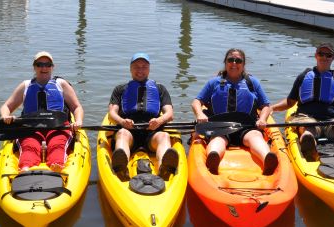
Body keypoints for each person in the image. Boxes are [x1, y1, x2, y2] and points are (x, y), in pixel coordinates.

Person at [271, 42, 334, 161]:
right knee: (306, 131)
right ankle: (310, 151)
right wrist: (272, 108)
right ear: (316, 55)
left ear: (333, 58)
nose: (324, 57)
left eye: (328, 55)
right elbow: (290, 102)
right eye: (321, 54)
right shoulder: (303, 76)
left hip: (332, 120)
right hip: (307, 118)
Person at [191, 48, 278, 175]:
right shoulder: (214, 82)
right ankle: (213, 159)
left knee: (255, 137)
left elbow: (266, 106)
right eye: (230, 60)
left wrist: (262, 119)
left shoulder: (252, 83)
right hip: (220, 126)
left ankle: (267, 159)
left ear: (243, 65)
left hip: (246, 126)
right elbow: (196, 102)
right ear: (225, 62)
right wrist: (200, 114)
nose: (234, 63)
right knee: (217, 140)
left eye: (238, 61)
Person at [0, 51, 84, 172]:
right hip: (31, 127)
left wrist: (78, 120)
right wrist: (5, 116)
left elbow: (77, 107)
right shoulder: (26, 85)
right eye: (39, 64)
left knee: (57, 145)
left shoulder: (61, 84)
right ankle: (26, 168)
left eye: (47, 64)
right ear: (34, 67)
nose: (44, 68)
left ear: (52, 67)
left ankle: (56, 166)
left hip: (58, 127)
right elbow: (6, 106)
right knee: (29, 146)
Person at [108, 52, 178, 180]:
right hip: (129, 132)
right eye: (136, 67)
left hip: (152, 133)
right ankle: (122, 168)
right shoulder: (120, 89)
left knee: (164, 136)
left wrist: (159, 120)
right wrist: (122, 121)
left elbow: (169, 113)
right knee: (122, 134)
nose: (140, 70)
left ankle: (164, 168)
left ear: (149, 69)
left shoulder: (160, 89)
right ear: (130, 69)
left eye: (144, 67)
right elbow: (112, 113)